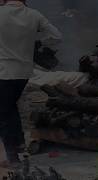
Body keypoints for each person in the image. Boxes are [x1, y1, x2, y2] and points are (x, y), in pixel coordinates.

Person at [0, 0, 62, 168]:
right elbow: (56, 36)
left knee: (4, 113)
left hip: (3, 71)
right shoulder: (34, 15)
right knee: (10, 107)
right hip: (24, 73)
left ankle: (12, 157)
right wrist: (39, 44)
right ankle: (19, 144)